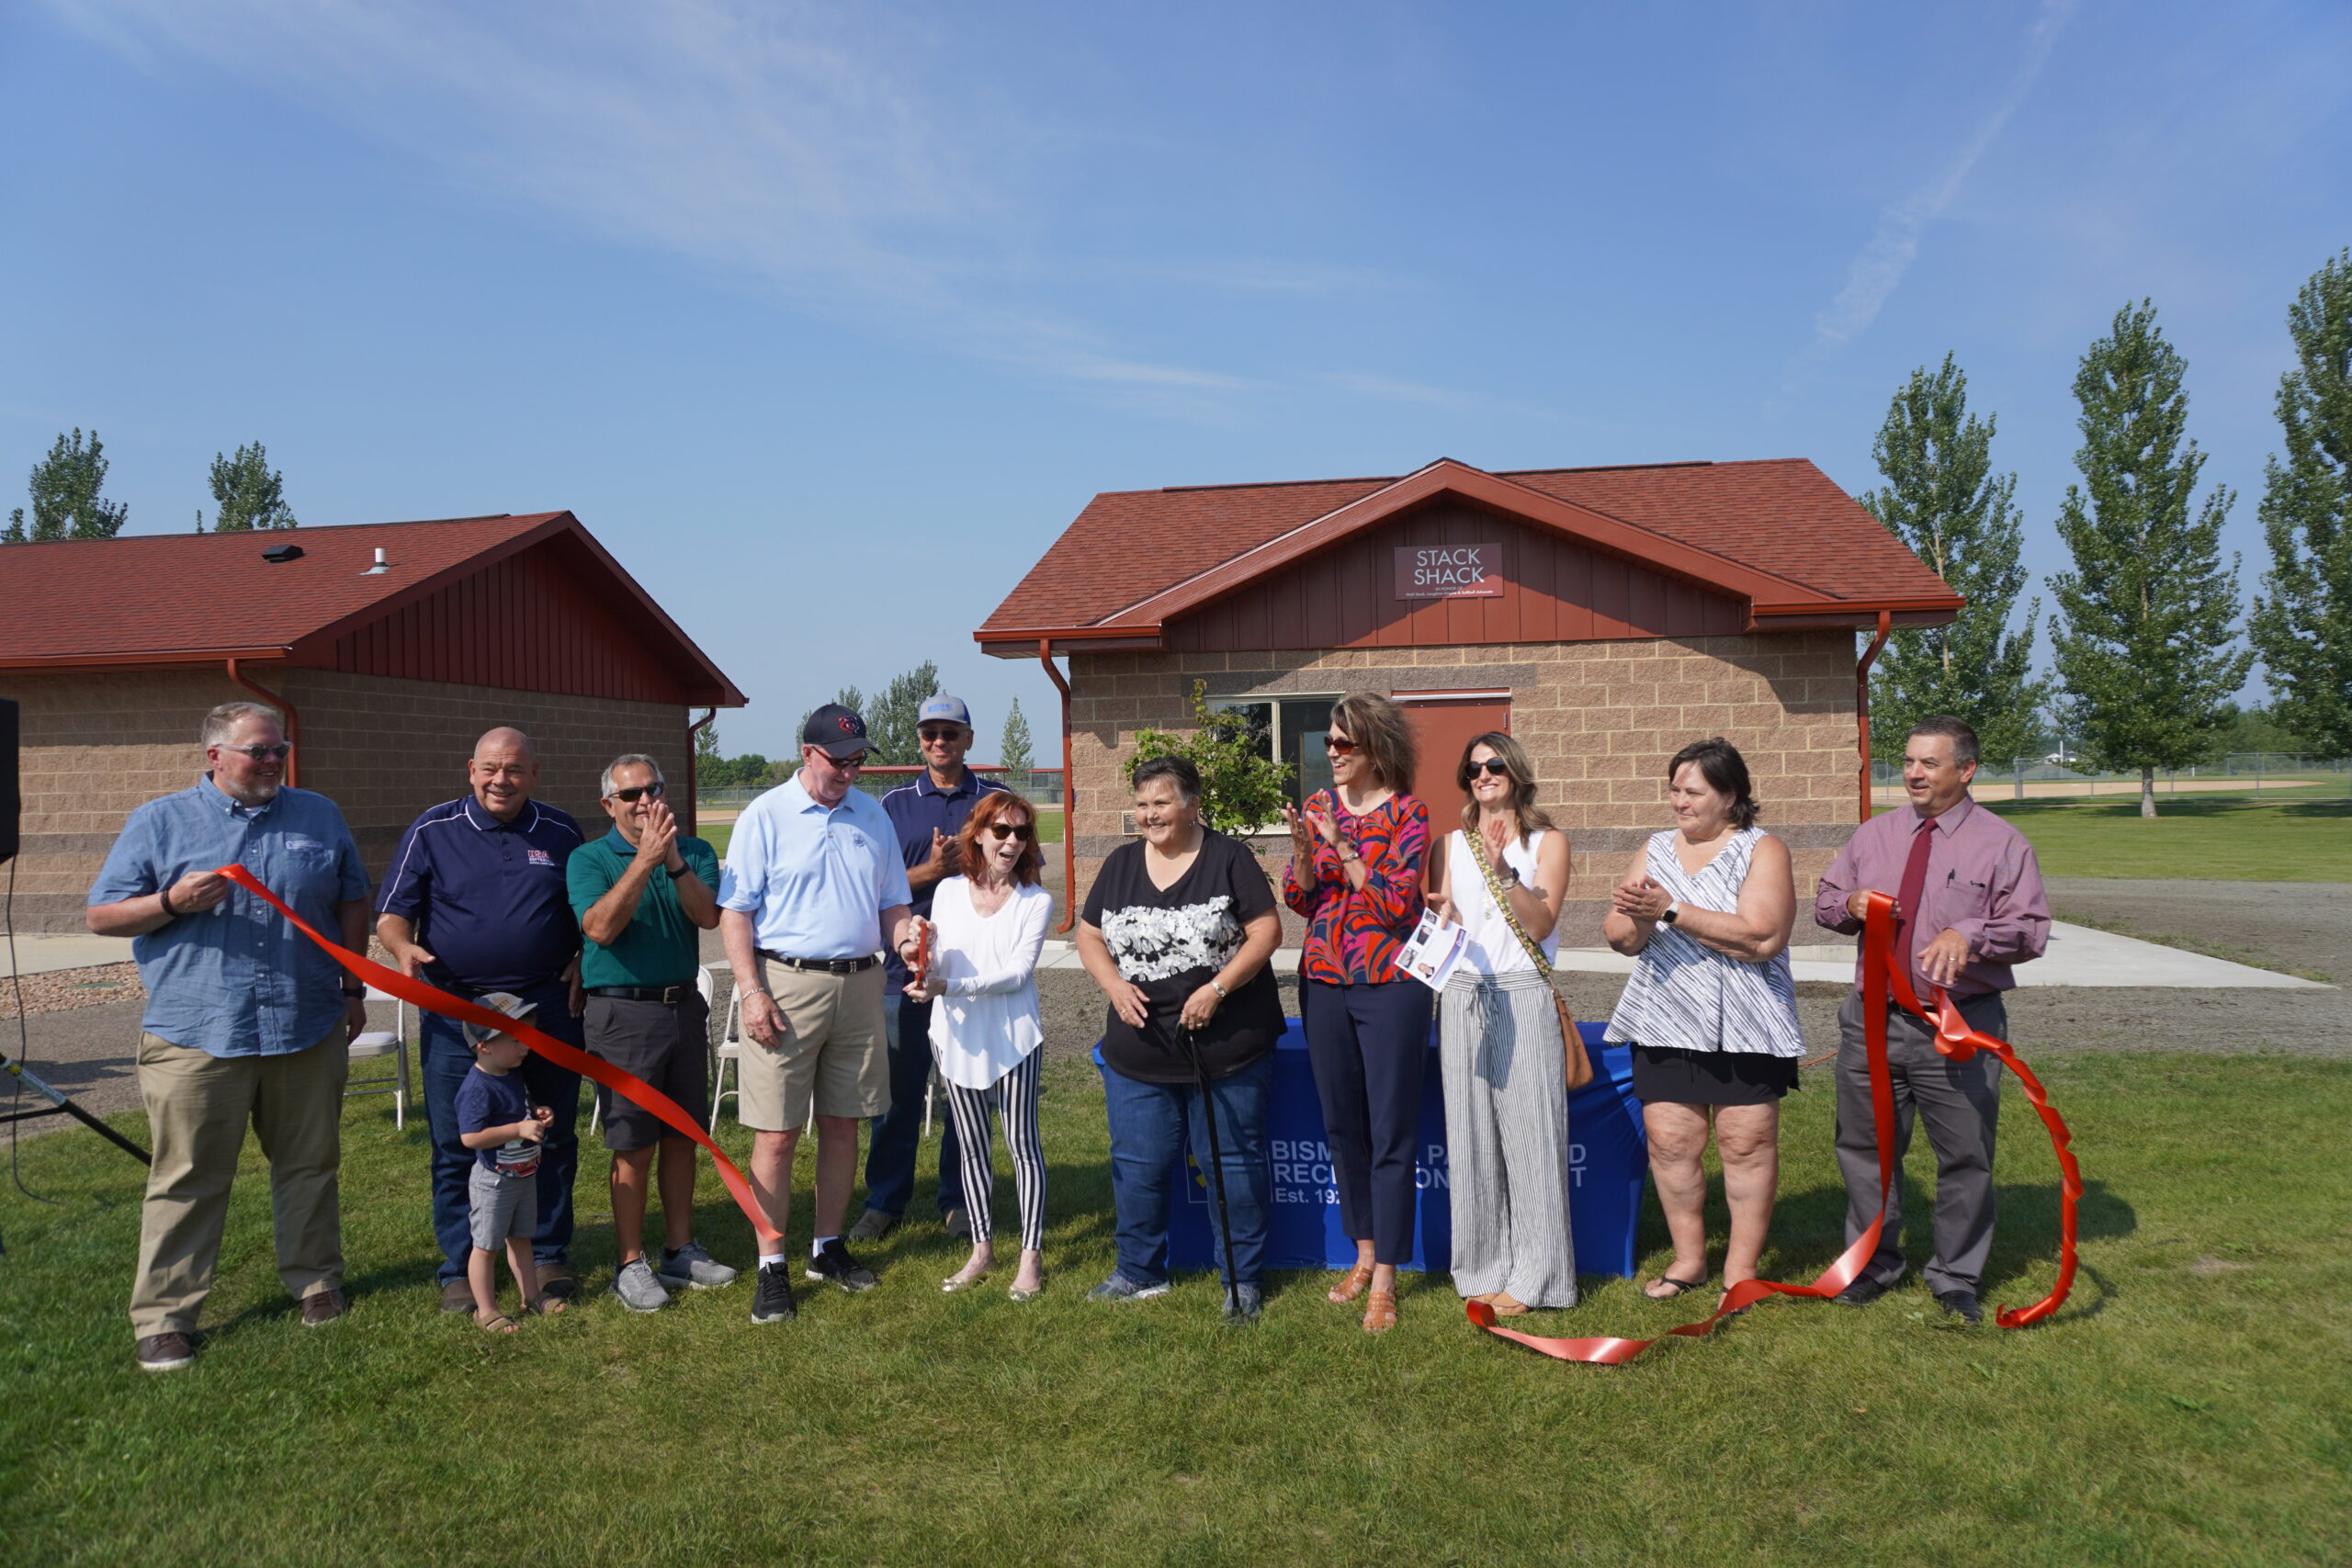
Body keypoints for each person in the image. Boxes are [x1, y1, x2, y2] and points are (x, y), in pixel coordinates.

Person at [87, 701, 373, 1371]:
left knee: (308, 1164)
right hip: (198, 1032)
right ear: (214, 755)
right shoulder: (158, 821)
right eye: (259, 751)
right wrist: (168, 903)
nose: (274, 762)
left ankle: (317, 1282)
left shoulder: (319, 815)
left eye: (280, 750)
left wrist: (353, 989)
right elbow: (102, 914)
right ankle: (165, 1317)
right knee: (187, 1176)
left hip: (304, 1024)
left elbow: (351, 897)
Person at [1815, 715, 2049, 1325]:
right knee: (1867, 1149)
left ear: (1966, 770)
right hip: (1870, 1022)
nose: (1913, 773)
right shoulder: (1874, 836)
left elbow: (2029, 930)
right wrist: (1849, 904)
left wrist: (1969, 932)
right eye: (1909, 761)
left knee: (1965, 1154)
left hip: (1958, 1026)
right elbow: (1825, 900)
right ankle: (1872, 1262)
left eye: (1929, 763)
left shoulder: (2002, 844)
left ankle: (1955, 1277)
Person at [718, 704, 918, 1325]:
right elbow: (736, 913)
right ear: (808, 752)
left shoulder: (872, 815)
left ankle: (827, 1246)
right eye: (839, 759)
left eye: (859, 760)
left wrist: (908, 938)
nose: (850, 771)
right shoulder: (766, 815)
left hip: (861, 983)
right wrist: (751, 990)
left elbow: (892, 905)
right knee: (776, 1133)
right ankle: (771, 1263)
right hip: (784, 984)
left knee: (843, 1124)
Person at [378, 728, 589, 1312]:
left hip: (545, 1006)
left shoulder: (562, 830)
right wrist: (401, 949)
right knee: (455, 1139)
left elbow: (589, 910)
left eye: (515, 770)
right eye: (491, 769)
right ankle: (460, 1267)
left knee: (551, 1131)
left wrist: (581, 959)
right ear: (471, 770)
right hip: (459, 1010)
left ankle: (547, 1256)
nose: (502, 780)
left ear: (534, 773)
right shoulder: (433, 829)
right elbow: (393, 915)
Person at [1079, 756, 1283, 1321]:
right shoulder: (1120, 864)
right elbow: (1090, 934)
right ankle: (1138, 1272)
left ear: (1192, 804)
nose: (1150, 815)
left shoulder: (1228, 858)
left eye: (1161, 803)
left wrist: (1217, 989)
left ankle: (1241, 1281)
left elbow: (1266, 931)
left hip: (1226, 1048)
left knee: (1230, 1165)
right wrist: (1114, 984)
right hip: (1137, 1050)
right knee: (1137, 1163)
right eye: (1142, 805)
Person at [1603, 738, 1804, 1306]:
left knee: (1746, 1144)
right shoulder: (1655, 849)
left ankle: (1741, 1273)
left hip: (1748, 1022)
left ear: (1730, 795)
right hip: (1664, 1018)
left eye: (1693, 792)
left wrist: (1670, 910)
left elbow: (1762, 937)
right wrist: (1635, 920)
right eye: (1674, 790)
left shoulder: (1762, 849)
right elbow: (1619, 938)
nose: (1679, 803)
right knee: (1671, 1144)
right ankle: (1689, 1260)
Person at [1281, 693, 1431, 1333]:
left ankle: (1390, 1275)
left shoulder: (1408, 813)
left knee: (1391, 1129)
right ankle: (1364, 1253)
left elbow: (1397, 903)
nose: (1333, 755)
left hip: (1390, 983)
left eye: (1345, 744)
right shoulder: (1316, 807)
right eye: (1329, 744)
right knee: (1343, 1125)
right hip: (1323, 979)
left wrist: (1341, 846)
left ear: (1377, 748)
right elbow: (1299, 896)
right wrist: (1302, 850)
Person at [567, 753, 738, 1313]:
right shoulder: (589, 858)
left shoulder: (694, 851)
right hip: (622, 1016)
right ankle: (630, 1262)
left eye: (653, 790)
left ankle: (679, 1249)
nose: (644, 801)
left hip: (682, 1008)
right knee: (632, 1141)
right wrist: (642, 863)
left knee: (681, 1135)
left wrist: (672, 863)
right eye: (631, 794)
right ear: (608, 805)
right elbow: (600, 928)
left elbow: (708, 917)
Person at [1424, 732, 1577, 1317]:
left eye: (1492, 765)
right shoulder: (1446, 845)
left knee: (1533, 1139)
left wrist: (1502, 871)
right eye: (1472, 768)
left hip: (1521, 991)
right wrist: (1444, 918)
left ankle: (1537, 1280)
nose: (1482, 775)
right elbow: (1444, 928)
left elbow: (1540, 924)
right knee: (1469, 1141)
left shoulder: (1548, 842)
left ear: (1515, 770)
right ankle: (1482, 1269)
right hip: (1461, 995)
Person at [855, 694, 1006, 1244]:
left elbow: (1017, 877)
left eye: (950, 733)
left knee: (964, 1093)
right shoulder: (891, 805)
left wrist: (964, 870)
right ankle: (884, 1201)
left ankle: (960, 1198)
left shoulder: (996, 801)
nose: (939, 743)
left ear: (969, 739)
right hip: (905, 974)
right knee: (896, 1094)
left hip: (970, 977)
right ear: (919, 741)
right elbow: (873, 890)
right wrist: (932, 871)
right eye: (929, 734)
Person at [907, 791, 1054, 1299]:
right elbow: (940, 956)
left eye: (1021, 833)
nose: (1011, 842)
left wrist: (946, 987)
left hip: (1014, 1040)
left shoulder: (1036, 901)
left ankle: (1030, 1257)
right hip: (955, 1038)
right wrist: (919, 954)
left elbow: (1015, 975)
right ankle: (981, 1250)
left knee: (1022, 1148)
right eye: (1001, 831)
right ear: (978, 834)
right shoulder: (947, 891)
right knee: (971, 1150)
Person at [454, 993, 568, 1332]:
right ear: (484, 1045)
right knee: (486, 1246)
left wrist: (537, 1114)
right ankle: (485, 1309)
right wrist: (518, 1128)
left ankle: (530, 1295)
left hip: (522, 1176)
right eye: (516, 1040)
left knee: (522, 1239)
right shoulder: (477, 1087)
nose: (525, 1047)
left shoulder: (510, 1073)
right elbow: (470, 1138)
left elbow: (519, 1111)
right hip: (494, 1181)